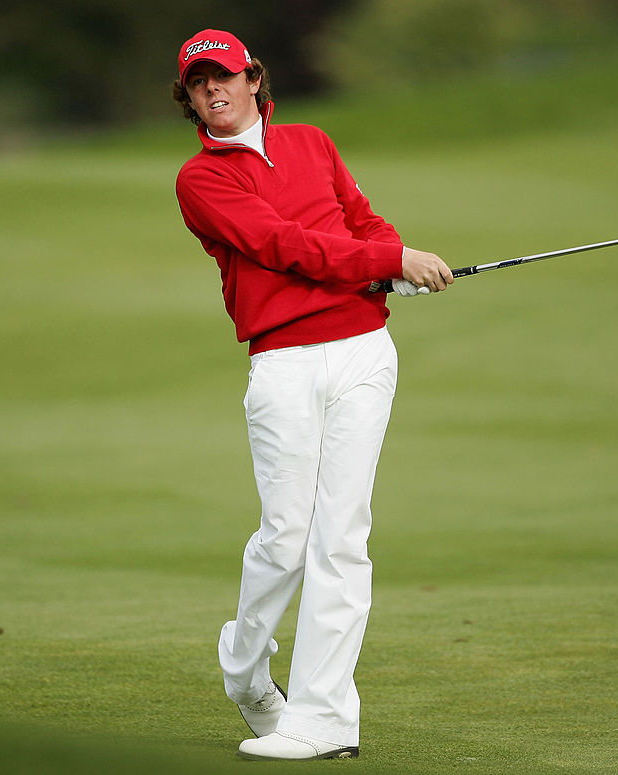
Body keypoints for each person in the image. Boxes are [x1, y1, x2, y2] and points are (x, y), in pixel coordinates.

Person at [172, 29, 453, 761]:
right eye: (199, 84)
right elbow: (282, 245)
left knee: (342, 536)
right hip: (283, 363)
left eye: (224, 77)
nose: (214, 92)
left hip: (363, 350)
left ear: (253, 78)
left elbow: (362, 220)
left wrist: (389, 259)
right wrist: (389, 259)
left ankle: (325, 716)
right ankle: (244, 665)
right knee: (286, 535)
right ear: (190, 98)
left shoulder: (314, 142)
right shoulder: (201, 182)